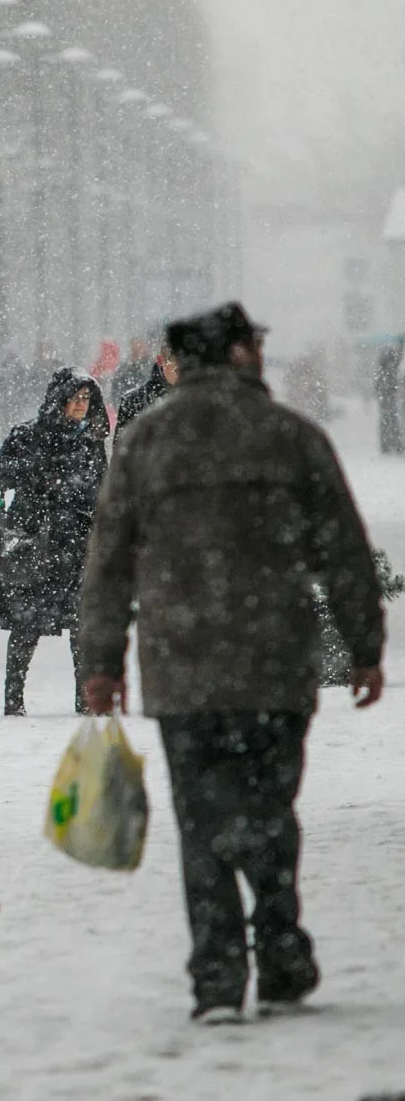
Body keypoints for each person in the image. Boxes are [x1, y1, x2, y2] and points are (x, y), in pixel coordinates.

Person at [80, 302, 385, 1025]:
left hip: (181, 671)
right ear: (244, 355)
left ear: (180, 362)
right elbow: (342, 548)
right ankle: (280, 949)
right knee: (271, 809)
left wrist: (101, 662)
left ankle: (217, 974)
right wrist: (363, 646)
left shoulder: (146, 443)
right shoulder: (290, 437)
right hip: (275, 665)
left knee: (200, 820)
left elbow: (108, 561)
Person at [0, 366, 109, 716]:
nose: (80, 406)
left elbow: (100, 488)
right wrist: (37, 471)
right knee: (26, 624)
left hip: (77, 542)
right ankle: (14, 699)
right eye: (74, 399)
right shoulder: (28, 435)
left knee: (81, 626)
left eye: (86, 399)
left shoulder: (90, 442)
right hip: (35, 543)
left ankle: (84, 699)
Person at [112, 342, 178, 453]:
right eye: (176, 369)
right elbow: (122, 454)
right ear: (161, 361)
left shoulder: (200, 398)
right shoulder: (134, 401)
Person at [110, 336, 155, 411]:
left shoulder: (152, 366)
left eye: (139, 348)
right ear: (130, 350)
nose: (137, 352)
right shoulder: (123, 369)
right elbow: (115, 392)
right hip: (129, 410)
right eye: (135, 349)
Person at [375, 338, 403, 455]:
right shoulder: (390, 367)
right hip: (388, 396)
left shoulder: (384, 369)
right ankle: (392, 444)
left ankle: (388, 444)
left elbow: (377, 384)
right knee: (391, 419)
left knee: (388, 419)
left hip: (387, 396)